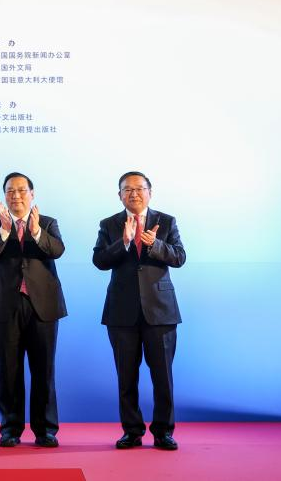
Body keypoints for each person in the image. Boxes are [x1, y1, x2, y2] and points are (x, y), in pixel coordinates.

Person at [92, 171, 186, 451]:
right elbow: (99, 260)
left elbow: (179, 257)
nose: (133, 194)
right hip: (121, 312)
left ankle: (163, 432)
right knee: (126, 377)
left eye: (139, 188)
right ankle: (131, 431)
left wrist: (154, 244)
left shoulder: (166, 221)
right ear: (119, 195)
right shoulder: (109, 224)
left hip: (160, 311)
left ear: (150, 192)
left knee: (163, 377)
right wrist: (123, 242)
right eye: (127, 189)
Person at [0, 172, 66, 448]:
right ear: (4, 195)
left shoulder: (48, 222)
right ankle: (10, 429)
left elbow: (57, 250)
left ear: (32, 194)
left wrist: (37, 231)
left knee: (44, 371)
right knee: (8, 371)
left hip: (42, 305)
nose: (16, 196)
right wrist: (5, 231)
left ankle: (45, 430)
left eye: (21, 190)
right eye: (10, 191)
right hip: (4, 306)